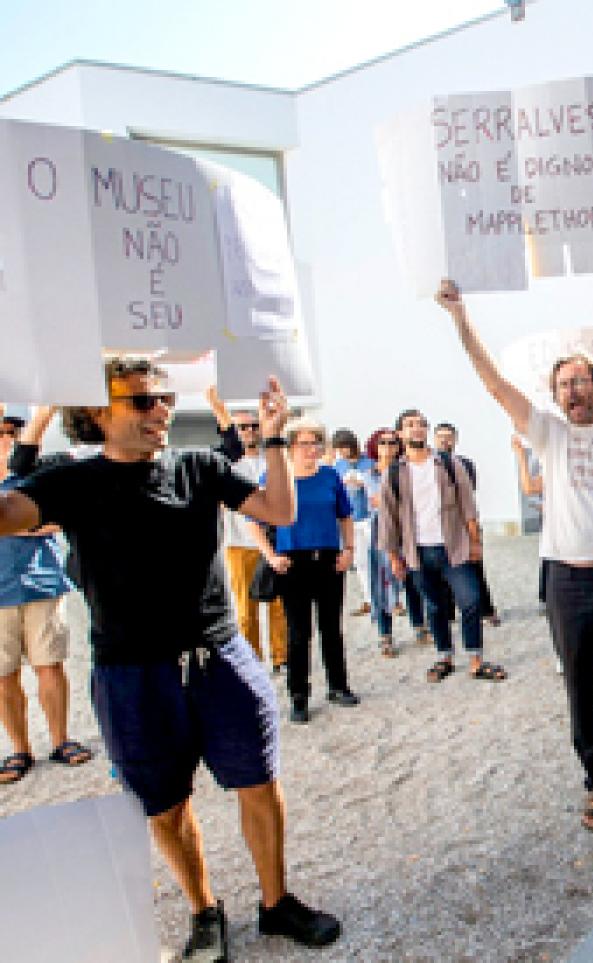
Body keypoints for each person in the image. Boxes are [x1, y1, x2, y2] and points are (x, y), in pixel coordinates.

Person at [0, 360, 340, 956]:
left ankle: (276, 903)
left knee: (258, 782)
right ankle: (203, 909)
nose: (159, 409)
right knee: (165, 803)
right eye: (142, 401)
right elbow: (5, 518)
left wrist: (277, 437)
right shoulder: (70, 481)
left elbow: (279, 512)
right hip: (131, 674)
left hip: (220, 657)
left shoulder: (199, 467)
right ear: (98, 413)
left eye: (162, 397)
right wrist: (29, 429)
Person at [435, 258, 593, 834]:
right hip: (569, 582)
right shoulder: (546, 432)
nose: (574, 390)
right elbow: (495, 385)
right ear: (554, 394)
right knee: (581, 690)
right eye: (564, 383)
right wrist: (461, 319)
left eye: (583, 381)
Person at [0, 409, 92, 785]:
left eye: (12, 430)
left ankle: (61, 740)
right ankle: (20, 748)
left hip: (41, 584)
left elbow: (64, 517)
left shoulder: (38, 472)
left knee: (50, 666)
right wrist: (26, 524)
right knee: (4, 676)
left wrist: (13, 524)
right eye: (1, 430)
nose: (6, 436)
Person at [380, 409, 501, 683]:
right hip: (418, 551)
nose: (417, 429)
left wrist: (475, 542)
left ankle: (475, 657)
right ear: (400, 433)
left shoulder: (448, 463)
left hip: (454, 547)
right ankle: (444, 655)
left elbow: (468, 504)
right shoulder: (394, 474)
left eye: (422, 424)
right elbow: (388, 518)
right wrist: (394, 557)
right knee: (434, 607)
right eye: (410, 425)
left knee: (470, 600)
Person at [253, 418, 359, 723]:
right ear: (290, 447)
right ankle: (299, 696)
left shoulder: (329, 477)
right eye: (305, 443)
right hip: (292, 563)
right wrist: (271, 556)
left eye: (316, 443)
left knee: (331, 628)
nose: (312, 449)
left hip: (328, 559)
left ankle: (338, 686)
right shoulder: (274, 478)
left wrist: (348, 550)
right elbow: (254, 523)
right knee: (298, 633)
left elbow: (345, 517)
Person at [223, 407, 290, 672]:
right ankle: (252, 658)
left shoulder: (271, 458)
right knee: (245, 608)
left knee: (278, 605)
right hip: (239, 541)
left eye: (253, 426)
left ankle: (281, 656)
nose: (250, 431)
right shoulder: (227, 463)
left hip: (274, 540)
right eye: (243, 427)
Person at [433, 421, 501, 627]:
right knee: (443, 570)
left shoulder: (465, 464)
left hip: (464, 522)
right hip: (440, 525)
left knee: (476, 567)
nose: (445, 440)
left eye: (449, 436)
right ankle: (448, 613)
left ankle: (486, 609)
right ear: (434, 439)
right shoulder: (428, 466)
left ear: (455, 440)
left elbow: (467, 493)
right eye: (441, 436)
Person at [364, 428, 420, 657]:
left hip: (406, 529)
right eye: (383, 442)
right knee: (382, 582)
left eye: (392, 442)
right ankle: (385, 634)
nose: (388, 447)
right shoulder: (369, 473)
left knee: (413, 579)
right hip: (380, 531)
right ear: (375, 447)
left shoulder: (405, 470)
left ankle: (420, 625)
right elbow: (376, 501)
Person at [330, 429, 375, 617]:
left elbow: (376, 485)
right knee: (361, 563)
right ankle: (369, 599)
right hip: (351, 520)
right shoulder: (337, 466)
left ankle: (392, 600)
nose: (343, 453)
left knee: (379, 559)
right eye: (339, 449)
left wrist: (363, 481)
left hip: (369, 517)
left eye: (345, 448)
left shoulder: (368, 462)